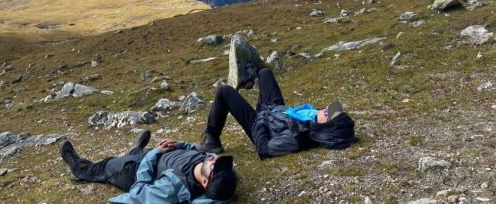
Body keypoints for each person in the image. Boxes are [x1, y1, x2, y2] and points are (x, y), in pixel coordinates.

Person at [195, 68, 355, 159]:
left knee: (224, 92)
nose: (325, 107)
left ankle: (212, 140)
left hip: (260, 124)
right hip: (276, 111)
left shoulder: (297, 138)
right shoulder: (314, 119)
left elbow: (264, 149)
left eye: (327, 112)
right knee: (264, 73)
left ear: (325, 128)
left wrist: (261, 121)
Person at [60, 129, 237, 203]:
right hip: (155, 155)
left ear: (205, 182)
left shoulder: (171, 188)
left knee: (105, 165)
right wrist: (180, 144)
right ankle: (135, 150)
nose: (214, 160)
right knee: (136, 154)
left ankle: (78, 167)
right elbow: (200, 153)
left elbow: (137, 192)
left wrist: (154, 153)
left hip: (134, 170)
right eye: (219, 162)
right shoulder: (210, 162)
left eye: (215, 167)